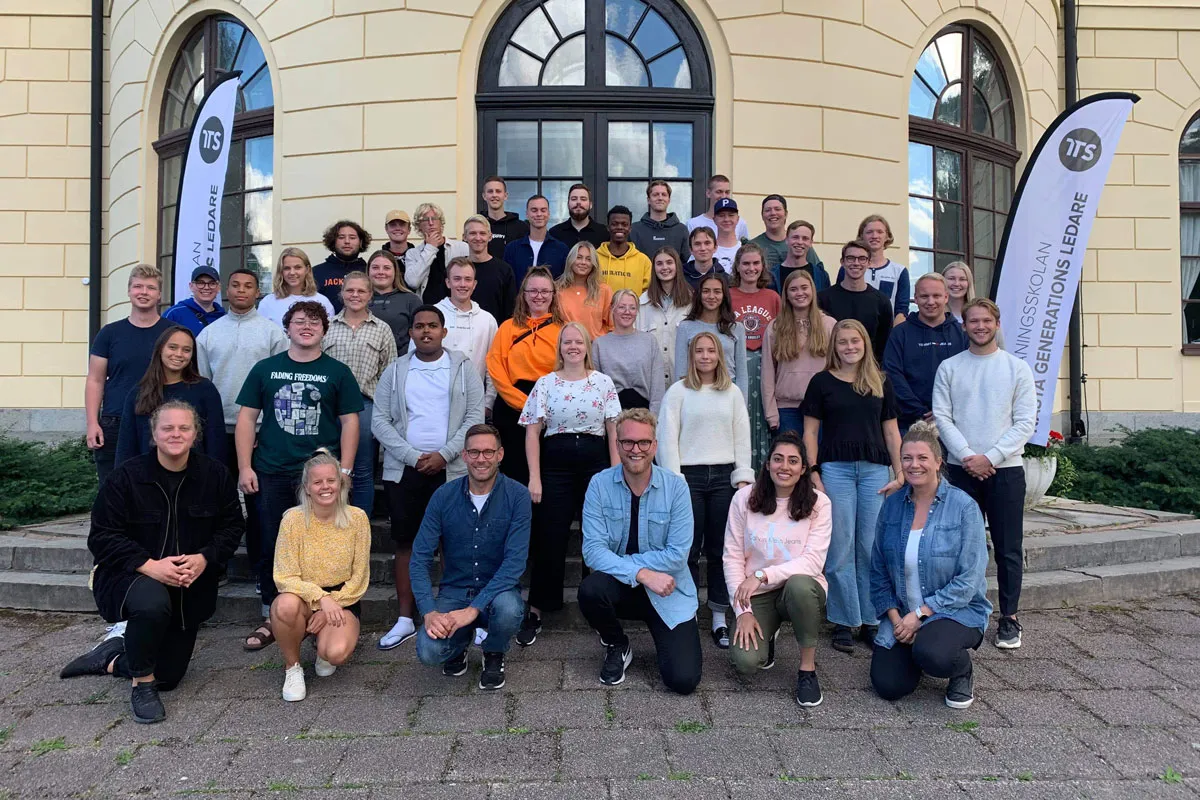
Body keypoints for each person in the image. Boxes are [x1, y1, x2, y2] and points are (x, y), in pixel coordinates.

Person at [61, 401, 242, 724]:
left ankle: (111, 658)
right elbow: (102, 536)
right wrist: (148, 565)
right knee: (151, 601)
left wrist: (204, 558)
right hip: (130, 577)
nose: (176, 434)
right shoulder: (126, 477)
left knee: (169, 677)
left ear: (195, 434)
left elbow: (231, 528)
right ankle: (142, 686)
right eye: (167, 428)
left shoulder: (215, 475)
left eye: (184, 428)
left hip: (188, 587)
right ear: (154, 434)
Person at [235, 300, 364, 652]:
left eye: (314, 322)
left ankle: (325, 609)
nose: (307, 327)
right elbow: (247, 418)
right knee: (270, 540)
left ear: (325, 330)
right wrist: (245, 466)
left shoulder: (337, 372)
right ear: (287, 328)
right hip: (272, 469)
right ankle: (273, 613)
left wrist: (345, 469)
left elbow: (350, 421)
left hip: (321, 474)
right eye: (299, 321)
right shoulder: (266, 369)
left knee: (325, 542)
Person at [373, 305, 485, 651]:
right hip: (404, 471)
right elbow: (379, 420)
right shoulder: (395, 370)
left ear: (443, 331)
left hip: (451, 470)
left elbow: (475, 416)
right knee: (406, 543)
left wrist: (444, 454)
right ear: (411, 334)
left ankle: (459, 616)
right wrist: (412, 456)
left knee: (455, 543)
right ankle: (406, 618)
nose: (426, 331)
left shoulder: (462, 367)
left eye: (432, 326)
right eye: (419, 326)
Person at [933, 298, 1036, 650]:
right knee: (961, 546)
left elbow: (1025, 422)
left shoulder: (1016, 368)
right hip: (961, 471)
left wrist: (989, 457)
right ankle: (962, 610)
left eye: (986, 321)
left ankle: (1009, 617)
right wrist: (967, 456)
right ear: (964, 326)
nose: (980, 326)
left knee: (1008, 548)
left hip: (1005, 470)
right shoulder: (950, 367)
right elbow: (942, 417)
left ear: (997, 324)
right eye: (973, 321)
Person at [869, 421, 992, 709]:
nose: (914, 465)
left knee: (934, 654)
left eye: (922, 458)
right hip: (903, 614)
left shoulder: (963, 507)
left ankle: (961, 670)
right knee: (888, 686)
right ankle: (918, 650)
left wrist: (920, 615)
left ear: (938, 462)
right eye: (907, 458)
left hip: (954, 611)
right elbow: (878, 570)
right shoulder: (891, 506)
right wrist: (897, 620)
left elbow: (970, 579)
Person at [578, 408, 702, 693]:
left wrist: (628, 566)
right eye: (628, 442)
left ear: (654, 446)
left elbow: (677, 555)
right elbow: (592, 552)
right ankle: (617, 643)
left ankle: (679, 627)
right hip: (623, 586)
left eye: (644, 442)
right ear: (617, 444)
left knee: (683, 681)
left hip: (667, 591)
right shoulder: (599, 484)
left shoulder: (676, 488)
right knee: (590, 590)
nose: (636, 449)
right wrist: (642, 574)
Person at [802, 319, 904, 654]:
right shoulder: (821, 382)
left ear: (865, 344)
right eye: (843, 341)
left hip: (875, 471)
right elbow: (810, 433)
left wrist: (899, 471)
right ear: (834, 346)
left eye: (855, 341)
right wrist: (813, 472)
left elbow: (891, 431)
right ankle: (844, 620)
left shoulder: (880, 381)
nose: (849, 347)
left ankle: (872, 619)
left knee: (870, 546)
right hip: (836, 471)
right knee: (840, 546)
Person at [517, 321, 621, 646]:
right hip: (555, 466)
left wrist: (616, 474)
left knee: (596, 537)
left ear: (587, 346)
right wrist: (534, 477)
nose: (573, 347)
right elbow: (532, 432)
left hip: (595, 464)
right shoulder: (546, 383)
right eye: (567, 342)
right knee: (549, 536)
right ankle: (537, 610)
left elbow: (613, 431)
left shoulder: (603, 382)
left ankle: (599, 610)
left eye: (578, 341)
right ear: (559, 348)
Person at [412, 424, 530, 689]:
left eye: (488, 452)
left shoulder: (517, 496)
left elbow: (515, 563)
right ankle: (459, 643)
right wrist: (429, 611)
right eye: (474, 452)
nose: (481, 459)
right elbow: (419, 559)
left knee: (510, 611)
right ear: (464, 455)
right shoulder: (443, 496)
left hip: (498, 590)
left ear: (500, 455)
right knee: (429, 652)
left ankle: (494, 651)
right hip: (455, 590)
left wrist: (473, 609)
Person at [659, 333, 754, 649]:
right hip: (690, 477)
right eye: (699, 351)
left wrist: (743, 476)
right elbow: (667, 436)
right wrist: (674, 479)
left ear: (719, 355)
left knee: (720, 549)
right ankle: (685, 610)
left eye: (710, 350)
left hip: (724, 477)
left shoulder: (732, 393)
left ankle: (718, 616)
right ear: (691, 356)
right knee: (687, 548)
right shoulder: (678, 392)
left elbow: (742, 435)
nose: (705, 356)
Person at [724, 431, 831, 707]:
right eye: (778, 459)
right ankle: (767, 636)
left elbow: (813, 562)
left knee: (799, 586)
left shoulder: (819, 503)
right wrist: (743, 611)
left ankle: (807, 670)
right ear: (767, 463)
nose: (785, 467)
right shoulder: (744, 499)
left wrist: (761, 575)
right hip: (758, 595)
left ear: (803, 468)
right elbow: (732, 557)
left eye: (793, 461)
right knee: (746, 662)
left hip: (800, 588)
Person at [197, 268, 288, 579]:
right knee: (217, 501)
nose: (241, 290)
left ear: (257, 293)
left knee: (260, 503)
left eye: (248, 286)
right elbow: (202, 383)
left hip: (260, 431)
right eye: (235, 285)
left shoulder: (272, 333)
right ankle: (216, 567)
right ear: (227, 290)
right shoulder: (208, 334)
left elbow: (280, 386)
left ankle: (262, 569)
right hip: (219, 431)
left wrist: (269, 426)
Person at [271, 450, 371, 702]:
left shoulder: (357, 518)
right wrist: (320, 600)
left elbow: (359, 578)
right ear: (307, 488)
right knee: (284, 605)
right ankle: (292, 667)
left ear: (340, 483)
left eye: (331, 480)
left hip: (342, 599)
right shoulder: (292, 520)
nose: (325, 487)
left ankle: (322, 646)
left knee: (335, 654)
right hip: (302, 597)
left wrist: (330, 606)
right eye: (317, 482)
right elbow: (284, 576)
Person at [86, 264, 175, 484]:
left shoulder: (172, 333)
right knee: (114, 490)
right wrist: (92, 423)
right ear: (129, 291)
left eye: (150, 288)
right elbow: (95, 380)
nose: (144, 292)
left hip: (160, 421)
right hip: (115, 422)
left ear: (159, 294)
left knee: (157, 489)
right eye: (138, 287)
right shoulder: (109, 334)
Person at [322, 271, 398, 516]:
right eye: (350, 290)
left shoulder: (382, 329)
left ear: (370, 295)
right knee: (326, 468)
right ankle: (329, 522)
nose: (355, 295)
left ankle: (360, 525)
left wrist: (385, 415)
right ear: (341, 293)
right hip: (328, 407)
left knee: (363, 470)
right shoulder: (326, 326)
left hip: (365, 406)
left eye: (361, 291)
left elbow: (389, 374)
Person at [486, 266, 565, 485]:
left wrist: (544, 407)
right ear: (524, 294)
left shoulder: (563, 330)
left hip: (550, 407)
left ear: (553, 295)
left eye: (545, 291)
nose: (539, 296)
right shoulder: (507, 328)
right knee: (513, 472)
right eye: (533, 291)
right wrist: (523, 404)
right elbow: (496, 368)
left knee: (548, 472)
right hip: (512, 407)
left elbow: (568, 370)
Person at [115, 325, 225, 466]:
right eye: (172, 347)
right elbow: (126, 445)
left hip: (195, 474)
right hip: (147, 475)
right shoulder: (139, 393)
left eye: (186, 350)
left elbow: (216, 442)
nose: (179, 354)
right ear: (160, 349)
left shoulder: (205, 390)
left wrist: (216, 476)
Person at [883, 273, 969, 435]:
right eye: (924, 296)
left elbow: (970, 376)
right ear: (915, 299)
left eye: (936, 296)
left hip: (955, 424)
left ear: (946, 297)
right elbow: (892, 375)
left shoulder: (962, 334)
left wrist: (944, 411)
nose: (930, 302)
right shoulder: (900, 333)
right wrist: (920, 412)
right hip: (909, 424)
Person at [762, 270, 835, 436]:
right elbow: (767, 371)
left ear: (812, 291)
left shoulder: (829, 325)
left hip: (823, 407)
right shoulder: (776, 327)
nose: (800, 293)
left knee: (817, 453)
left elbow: (838, 368)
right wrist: (771, 413)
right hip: (787, 409)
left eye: (804, 288)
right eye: (793, 289)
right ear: (786, 295)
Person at [728, 242, 781, 470]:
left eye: (756, 263)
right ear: (737, 267)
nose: (751, 268)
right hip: (736, 365)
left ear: (763, 266)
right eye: (746, 263)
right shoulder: (728, 296)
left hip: (765, 366)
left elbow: (781, 333)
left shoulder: (772, 297)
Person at [818, 240, 893, 365]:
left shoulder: (882, 302)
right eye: (851, 258)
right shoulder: (823, 299)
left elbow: (883, 345)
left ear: (869, 263)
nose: (856, 263)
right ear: (842, 262)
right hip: (832, 368)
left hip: (868, 370)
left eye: (862, 259)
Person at [674, 273, 749, 399]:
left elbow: (742, 374)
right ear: (699, 294)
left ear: (724, 295)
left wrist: (742, 404)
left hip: (728, 392)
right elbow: (681, 372)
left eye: (717, 292)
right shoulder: (685, 327)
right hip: (695, 392)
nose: (711, 296)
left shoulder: (737, 328)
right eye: (706, 291)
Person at [435, 257, 500, 398]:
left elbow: (493, 365)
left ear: (474, 284)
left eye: (468, 279)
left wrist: (488, 402)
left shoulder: (487, 320)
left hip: (474, 400)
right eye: (457, 279)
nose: (463, 284)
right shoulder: (433, 315)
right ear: (448, 282)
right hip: (436, 398)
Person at [594, 289, 665, 413]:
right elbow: (595, 388)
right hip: (611, 414)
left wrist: (654, 418)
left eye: (632, 308)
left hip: (643, 414)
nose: (627, 312)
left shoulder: (649, 341)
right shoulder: (599, 344)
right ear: (612, 309)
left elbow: (657, 386)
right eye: (622, 307)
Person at [834, 215, 910, 325]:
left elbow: (901, 310)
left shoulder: (899, 271)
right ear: (861, 236)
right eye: (869, 232)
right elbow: (838, 299)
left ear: (887, 236)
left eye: (880, 232)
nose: (874, 236)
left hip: (885, 332)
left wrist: (894, 333)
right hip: (852, 330)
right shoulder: (848, 268)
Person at [637, 246, 692, 385]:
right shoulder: (642, 303)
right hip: (651, 381)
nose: (664, 267)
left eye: (669, 262)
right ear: (654, 268)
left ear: (677, 266)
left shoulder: (692, 302)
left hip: (683, 381)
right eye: (659, 263)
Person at [405, 202, 469, 303]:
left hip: (455, 307)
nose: (431, 223)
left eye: (434, 218)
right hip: (427, 307)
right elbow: (413, 282)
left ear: (441, 223)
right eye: (425, 220)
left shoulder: (461, 248)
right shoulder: (412, 253)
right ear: (419, 226)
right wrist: (430, 248)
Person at [258, 247, 337, 328]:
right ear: (281, 271)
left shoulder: (322, 301)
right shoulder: (268, 303)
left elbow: (328, 333)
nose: (292, 272)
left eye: (297, 267)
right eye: (287, 268)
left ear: (307, 269)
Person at [365, 249, 422, 354]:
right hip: (365, 358)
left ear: (395, 271)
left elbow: (420, 334)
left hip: (401, 359)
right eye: (375, 267)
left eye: (386, 268)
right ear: (368, 271)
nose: (381, 272)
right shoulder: (358, 300)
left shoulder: (411, 300)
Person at [463, 214, 518, 323]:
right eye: (473, 233)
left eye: (482, 233)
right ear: (464, 237)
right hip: (462, 330)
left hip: (496, 331)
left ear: (490, 236)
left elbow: (511, 309)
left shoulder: (504, 270)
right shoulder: (457, 269)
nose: (478, 238)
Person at [504, 195, 569, 283]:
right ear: (527, 214)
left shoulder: (561, 250)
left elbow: (564, 283)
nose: (539, 214)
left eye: (543, 210)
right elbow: (507, 283)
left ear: (548, 214)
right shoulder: (512, 249)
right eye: (534, 210)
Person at [556, 241, 613, 340]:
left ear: (594, 263)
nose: (583, 262)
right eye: (579, 257)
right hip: (566, 345)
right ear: (570, 260)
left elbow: (612, 326)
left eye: (588, 259)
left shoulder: (604, 290)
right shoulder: (557, 289)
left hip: (595, 346)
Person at [314, 219, 370, 313]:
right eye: (341, 237)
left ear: (360, 242)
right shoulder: (316, 272)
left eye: (352, 237)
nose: (347, 241)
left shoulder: (369, 272)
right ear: (333, 241)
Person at [597, 205, 652, 295]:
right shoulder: (594, 258)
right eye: (614, 224)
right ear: (608, 227)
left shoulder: (643, 261)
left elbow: (647, 295)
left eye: (624, 224)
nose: (619, 227)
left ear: (630, 228)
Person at [630, 180, 689, 262]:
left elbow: (686, 263)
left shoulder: (681, 230)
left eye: (664, 195)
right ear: (648, 200)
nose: (660, 198)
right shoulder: (634, 229)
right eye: (655, 195)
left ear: (669, 200)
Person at [162, 265, 225, 334]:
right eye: (200, 283)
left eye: (212, 283)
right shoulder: (174, 314)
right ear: (191, 286)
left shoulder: (224, 317)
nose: (206, 287)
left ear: (219, 287)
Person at [775, 220, 831, 295]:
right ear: (787, 240)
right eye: (795, 237)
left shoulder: (821, 276)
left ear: (811, 243)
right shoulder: (772, 276)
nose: (800, 242)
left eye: (805, 238)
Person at [687, 174, 751, 240]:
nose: (723, 196)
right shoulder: (693, 224)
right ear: (708, 193)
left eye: (727, 192)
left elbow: (745, 246)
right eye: (719, 192)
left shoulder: (740, 223)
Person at [482, 176, 529, 260]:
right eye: (490, 191)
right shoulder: (477, 226)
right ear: (484, 196)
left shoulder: (521, 228)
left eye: (498, 191)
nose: (494, 195)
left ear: (505, 196)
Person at [549, 183, 608, 249]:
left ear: (590, 204)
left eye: (583, 199)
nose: (578, 202)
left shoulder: (603, 233)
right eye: (574, 199)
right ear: (568, 204)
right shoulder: (555, 233)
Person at [749, 195, 790, 274]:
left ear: (786, 214)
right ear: (762, 215)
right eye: (768, 210)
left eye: (777, 209)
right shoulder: (753, 246)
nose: (773, 213)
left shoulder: (799, 243)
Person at [711, 198, 747, 273]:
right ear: (714, 219)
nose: (726, 219)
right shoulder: (705, 249)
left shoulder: (746, 249)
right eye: (721, 215)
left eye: (731, 215)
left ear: (738, 219)